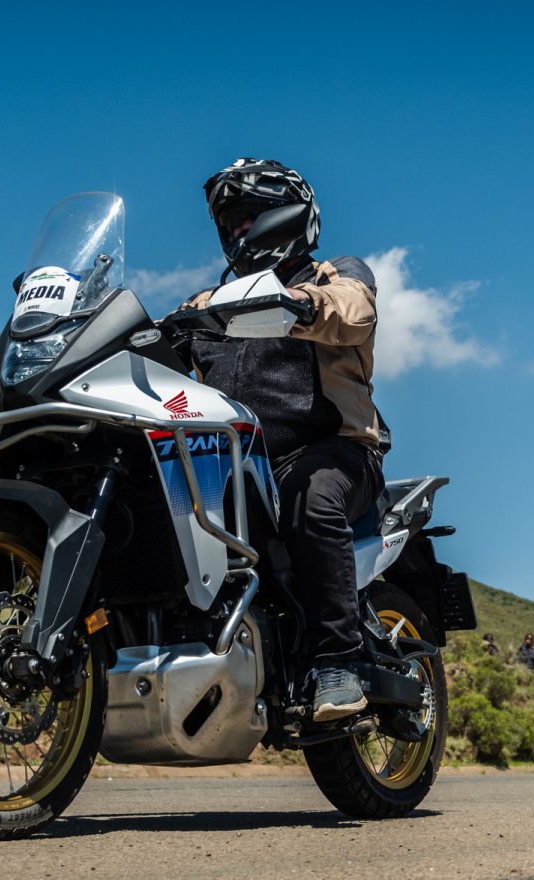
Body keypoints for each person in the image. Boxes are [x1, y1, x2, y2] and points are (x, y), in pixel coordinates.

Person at [174, 157, 383, 723]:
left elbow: (353, 310)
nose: (239, 231)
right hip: (234, 468)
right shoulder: (207, 303)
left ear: (288, 217)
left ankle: (339, 663)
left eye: (250, 216)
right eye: (231, 222)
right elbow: (157, 341)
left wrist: (298, 305)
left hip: (331, 452)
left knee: (312, 498)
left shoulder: (333, 277)